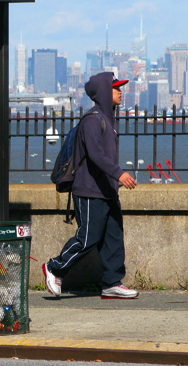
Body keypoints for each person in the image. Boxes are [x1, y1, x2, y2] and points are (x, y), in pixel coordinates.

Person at [43, 72, 139, 299]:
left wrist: (114, 182)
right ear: (105, 91)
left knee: (113, 238)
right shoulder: (92, 120)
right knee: (87, 238)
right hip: (88, 191)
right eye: (116, 88)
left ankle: (111, 283)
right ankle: (54, 267)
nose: (120, 92)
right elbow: (95, 155)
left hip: (107, 191)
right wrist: (119, 174)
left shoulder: (109, 120)